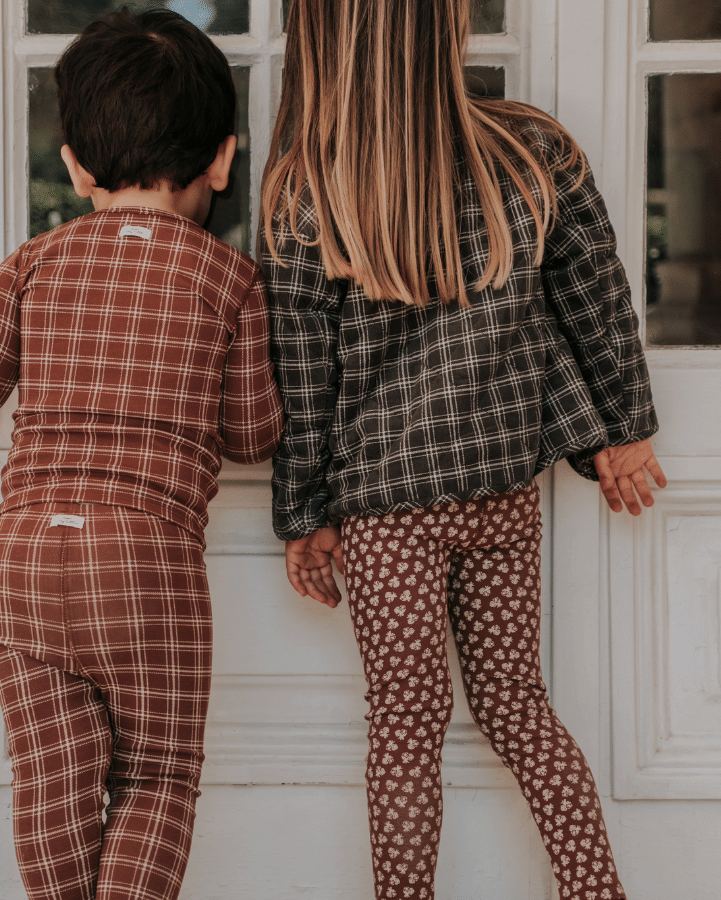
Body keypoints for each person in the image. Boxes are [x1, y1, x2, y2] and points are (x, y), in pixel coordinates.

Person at [259, 2, 665, 899]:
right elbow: (596, 301)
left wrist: (303, 514)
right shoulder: (530, 156)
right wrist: (626, 425)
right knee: (520, 707)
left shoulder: (303, 194)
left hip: (386, 517)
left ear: (319, 43)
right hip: (501, 497)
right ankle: (596, 890)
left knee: (404, 729)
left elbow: (304, 380)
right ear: (449, 31)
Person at [0, 10, 282, 900]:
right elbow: (256, 431)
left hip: (27, 556)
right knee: (156, 780)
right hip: (147, 562)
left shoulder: (37, 261)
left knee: (53, 780)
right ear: (223, 160)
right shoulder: (230, 279)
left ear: (72, 166)